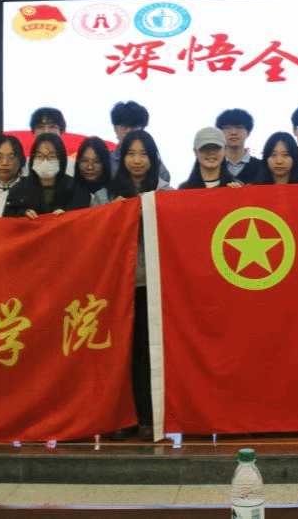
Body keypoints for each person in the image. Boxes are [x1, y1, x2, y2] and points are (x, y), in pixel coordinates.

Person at [108, 130, 171, 441]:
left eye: (143, 154)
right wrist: (113, 214)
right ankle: (121, 417)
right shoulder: (106, 194)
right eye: (131, 154)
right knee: (119, 354)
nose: (137, 160)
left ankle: (148, 418)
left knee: (148, 353)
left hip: (154, 285)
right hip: (116, 286)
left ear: (153, 158)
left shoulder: (166, 193)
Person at [3, 133, 77, 218]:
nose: (45, 161)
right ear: (33, 158)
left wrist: (68, 215)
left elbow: (81, 217)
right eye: (39, 156)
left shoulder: (74, 188)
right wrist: (22, 213)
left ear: (61, 159)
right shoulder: (18, 189)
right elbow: (7, 220)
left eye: (51, 156)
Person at [109, 101, 171, 183]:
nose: (128, 131)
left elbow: (165, 180)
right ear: (115, 129)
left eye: (133, 126)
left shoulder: (152, 160)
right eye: (123, 126)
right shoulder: (107, 162)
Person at [216, 108, 262, 183]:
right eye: (227, 128)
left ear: (248, 132)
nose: (233, 132)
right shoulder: (212, 166)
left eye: (239, 127)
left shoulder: (262, 167)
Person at [68, 136, 113, 208]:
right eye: (85, 161)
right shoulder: (66, 192)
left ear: (105, 163)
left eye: (96, 161)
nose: (90, 167)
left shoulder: (115, 194)